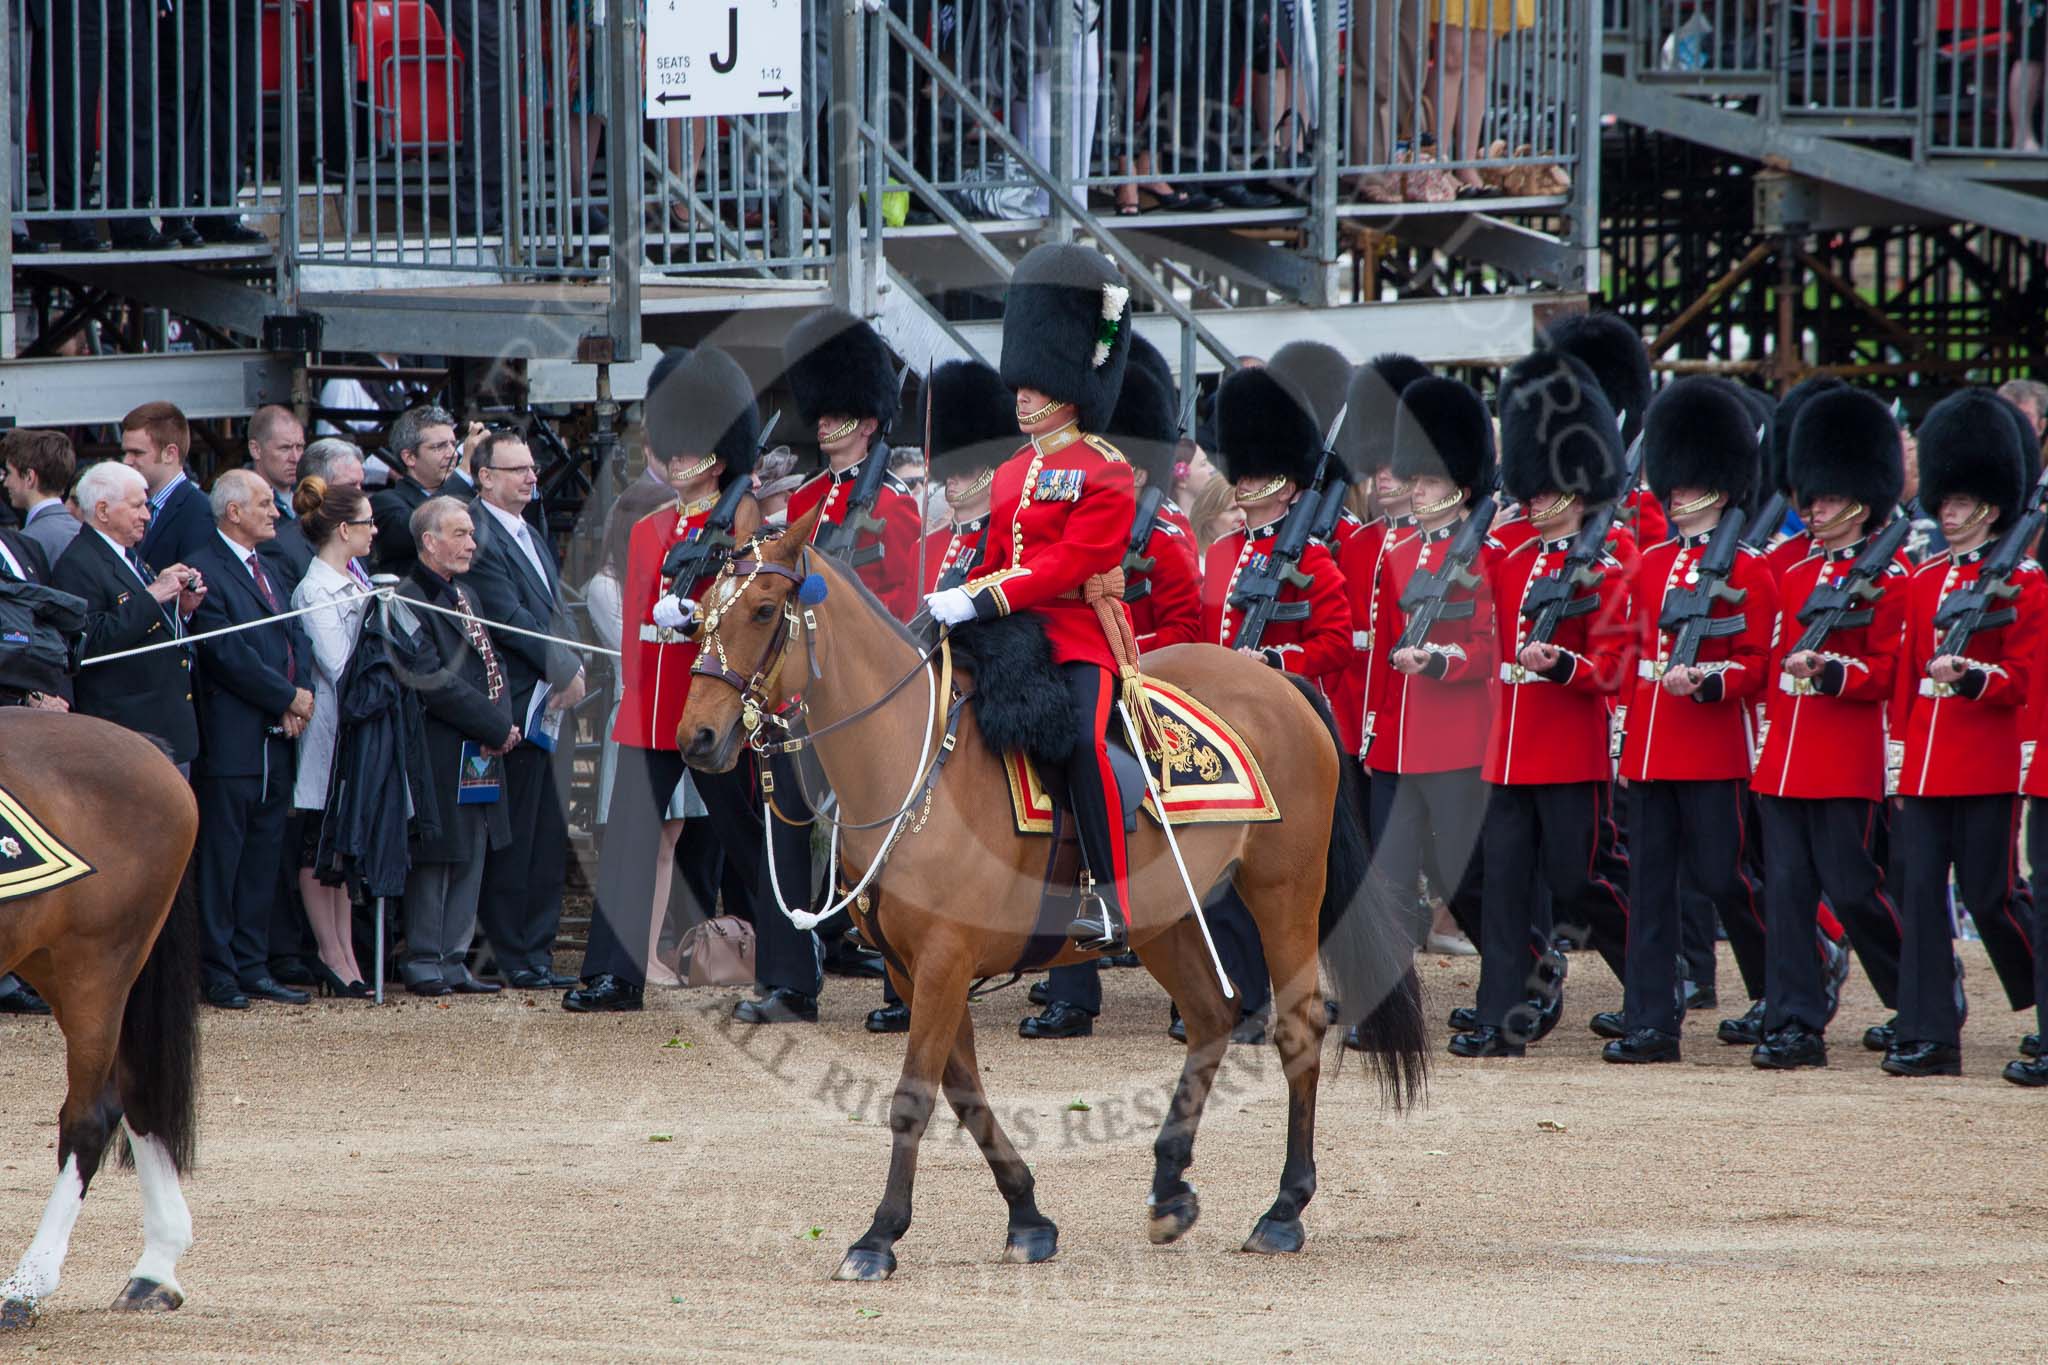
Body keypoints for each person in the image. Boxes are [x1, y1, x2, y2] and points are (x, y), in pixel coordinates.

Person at [923, 243, 1141, 953]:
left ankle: (1111, 899)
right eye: (1017, 383)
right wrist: (951, 598)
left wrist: (981, 602)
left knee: (1080, 739)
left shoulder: (1105, 471)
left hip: (1076, 632)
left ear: (1069, 385)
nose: (1019, 393)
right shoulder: (1015, 470)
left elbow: (1068, 564)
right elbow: (992, 556)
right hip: (1011, 632)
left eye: (1034, 384)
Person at [565, 346, 766, 1014]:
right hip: (654, 706)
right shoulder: (652, 526)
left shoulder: (742, 518)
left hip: (713, 703)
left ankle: (789, 966)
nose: (678, 462)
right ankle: (613, 973)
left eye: (691, 450)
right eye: (672, 450)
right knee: (628, 844)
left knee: (745, 838)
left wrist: (697, 612)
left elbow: (749, 602)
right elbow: (635, 629)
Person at [1018, 350, 1205, 1041]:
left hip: (1146, 692)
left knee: (1179, 822)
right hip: (1083, 672)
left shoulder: (1167, 535)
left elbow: (1188, 629)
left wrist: (1129, 662)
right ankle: (1071, 981)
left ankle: (1199, 986)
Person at [1452, 350, 1634, 1059]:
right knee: (1501, 886)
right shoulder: (1509, 553)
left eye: (1545, 487)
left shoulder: (1610, 557)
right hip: (1509, 749)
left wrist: (1565, 664)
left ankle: (1656, 977)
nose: (1532, 499)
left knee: (1580, 878)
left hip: (1569, 745)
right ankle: (1505, 1015)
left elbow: (1614, 665)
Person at [751, 309, 919, 1024]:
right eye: (821, 415)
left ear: (871, 422)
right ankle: (791, 979)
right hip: (805, 696)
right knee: (788, 820)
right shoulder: (811, 501)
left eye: (842, 416)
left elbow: (902, 607)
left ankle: (902, 981)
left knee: (884, 833)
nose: (825, 427)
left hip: (869, 698)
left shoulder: (899, 505)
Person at [1608, 379, 1776, 1065]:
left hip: (1711, 748)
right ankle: (1653, 1018)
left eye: (1686, 482)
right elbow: (1627, 651)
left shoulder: (1750, 568)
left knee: (1725, 877)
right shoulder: (1649, 563)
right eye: (1670, 482)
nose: (1673, 493)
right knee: (1649, 887)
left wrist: (1710, 680)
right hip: (1651, 746)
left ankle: (1786, 979)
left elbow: (1757, 663)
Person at [1750, 387, 1911, 1070]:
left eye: (1822, 496)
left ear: (1859, 497)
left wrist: (1834, 671)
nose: (1810, 506)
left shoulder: (1892, 576)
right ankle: (1796, 1018)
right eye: (1808, 495)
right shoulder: (1784, 568)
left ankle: (1922, 992)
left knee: (1851, 887)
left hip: (1845, 754)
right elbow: (1760, 655)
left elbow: (1885, 672)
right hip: (1784, 753)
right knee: (1786, 891)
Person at [1888, 391, 2042, 1077]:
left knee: (1991, 896)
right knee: (1919, 893)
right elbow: (1903, 678)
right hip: (1926, 760)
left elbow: (2023, 678)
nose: (1946, 514)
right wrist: (1898, 750)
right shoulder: (1923, 581)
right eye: (1942, 503)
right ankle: (1929, 1030)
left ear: (1988, 504)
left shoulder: (2026, 583)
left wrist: (1974, 677)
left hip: (1986, 759)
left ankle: (2040, 998)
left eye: (1958, 505)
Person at [1364, 376, 1497, 963]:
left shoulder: (1485, 556)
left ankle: (1518, 963)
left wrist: (1440, 661)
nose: (1413, 489)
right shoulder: (1395, 554)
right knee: (1387, 877)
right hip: (1396, 741)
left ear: (1459, 488)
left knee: (1459, 876)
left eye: (1427, 480)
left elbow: (1489, 647)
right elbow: (1380, 658)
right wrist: (1374, 728)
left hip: (1455, 741)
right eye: (1412, 479)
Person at [184, 471, 316, 1010]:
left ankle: (253, 964)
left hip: (277, 739)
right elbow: (226, 654)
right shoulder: (204, 568)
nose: (276, 512)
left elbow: (297, 632)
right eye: (264, 503)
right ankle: (217, 970)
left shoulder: (273, 568)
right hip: (233, 739)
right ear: (233, 511)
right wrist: (284, 696)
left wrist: (300, 692)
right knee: (223, 860)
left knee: (263, 857)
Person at [460, 429, 586, 989]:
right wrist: (566, 669)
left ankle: (537, 950)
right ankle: (511, 954)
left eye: (532, 468)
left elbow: (558, 609)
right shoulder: (478, 532)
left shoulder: (530, 532)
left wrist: (576, 664)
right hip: (513, 704)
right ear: (485, 477)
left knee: (546, 837)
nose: (531, 477)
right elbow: (508, 617)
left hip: (553, 703)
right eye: (517, 469)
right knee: (514, 839)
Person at [396, 497, 520, 997]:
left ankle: (454, 956)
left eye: (472, 533)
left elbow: (494, 663)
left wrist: (503, 723)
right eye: (461, 534)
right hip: (442, 744)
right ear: (430, 542)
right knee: (439, 852)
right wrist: (494, 725)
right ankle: (424, 956)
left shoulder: (467, 591)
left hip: (484, 745)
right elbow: (432, 679)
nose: (472, 543)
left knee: (473, 849)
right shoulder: (407, 597)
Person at [50, 461, 204, 772]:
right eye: (137, 506)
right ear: (104, 511)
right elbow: (89, 643)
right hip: (128, 738)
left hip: (162, 730)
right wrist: (152, 596)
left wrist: (179, 607)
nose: (146, 515)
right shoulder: (78, 563)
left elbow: (148, 627)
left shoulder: (128, 555)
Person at [289, 476, 380, 999]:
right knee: (318, 840)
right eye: (367, 523)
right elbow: (338, 661)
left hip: (357, 725)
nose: (374, 531)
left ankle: (346, 949)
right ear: (344, 529)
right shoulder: (315, 589)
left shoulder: (357, 580)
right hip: (329, 727)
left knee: (342, 844)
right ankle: (329, 950)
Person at [371, 405, 464, 578]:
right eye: (439, 447)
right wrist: (462, 478)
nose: (452, 454)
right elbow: (419, 529)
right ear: (410, 457)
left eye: (453, 444)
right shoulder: (386, 502)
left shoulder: (466, 494)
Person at [122, 402, 214, 568]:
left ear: (170, 454)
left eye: (137, 453)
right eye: (126, 452)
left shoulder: (201, 512)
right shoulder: (126, 506)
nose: (126, 461)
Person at [2, 428, 81, 562]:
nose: (5, 483)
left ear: (29, 477)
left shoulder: (26, 544)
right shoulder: (83, 532)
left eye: (9, 473)